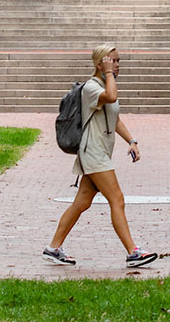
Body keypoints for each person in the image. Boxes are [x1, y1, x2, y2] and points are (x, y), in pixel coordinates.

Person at [43, 44, 158, 269]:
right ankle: (133, 252)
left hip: (98, 153)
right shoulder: (92, 88)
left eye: (118, 61)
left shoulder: (106, 84)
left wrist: (131, 141)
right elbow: (111, 97)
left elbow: (114, 118)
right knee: (117, 199)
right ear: (99, 64)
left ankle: (53, 248)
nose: (116, 65)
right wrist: (106, 73)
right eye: (112, 61)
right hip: (93, 153)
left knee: (81, 202)